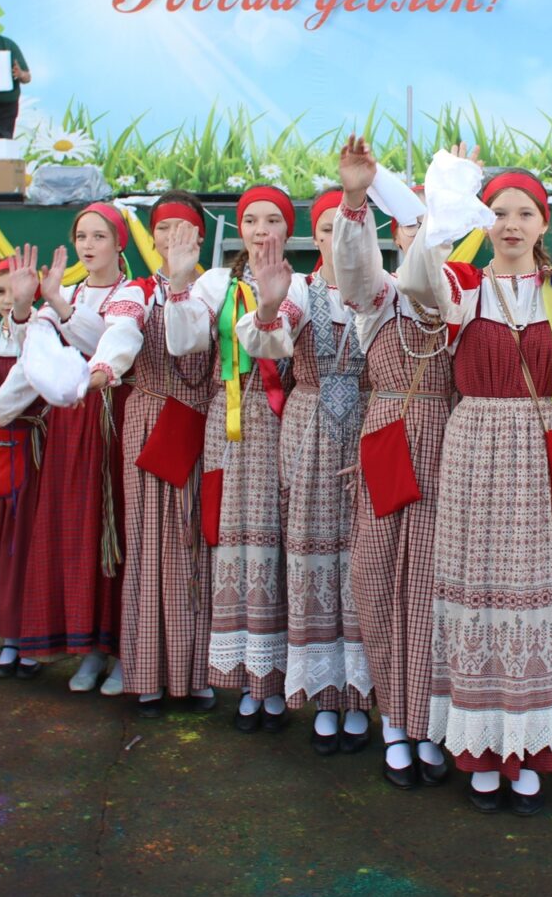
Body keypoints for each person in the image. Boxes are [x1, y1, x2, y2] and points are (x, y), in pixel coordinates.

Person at [396, 143, 552, 815]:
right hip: (474, 445)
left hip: (542, 441)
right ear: (484, 221)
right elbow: (415, 283)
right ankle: (477, 748)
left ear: (543, 224)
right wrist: (443, 204)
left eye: (526, 211)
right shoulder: (463, 285)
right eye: (499, 212)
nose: (512, 222)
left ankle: (525, 747)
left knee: (532, 593)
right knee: (476, 589)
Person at [331, 141, 454, 789]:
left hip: (451, 445)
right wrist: (355, 200)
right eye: (409, 223)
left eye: (432, 222)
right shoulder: (381, 297)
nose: (420, 234)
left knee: (435, 584)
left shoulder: (470, 293)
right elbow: (353, 274)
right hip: (388, 434)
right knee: (378, 575)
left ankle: (429, 720)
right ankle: (394, 724)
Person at [243, 191, 376, 754]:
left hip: (370, 425)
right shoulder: (299, 290)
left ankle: (363, 692)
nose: (335, 237)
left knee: (364, 558)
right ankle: (325, 693)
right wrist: (269, 308)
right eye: (325, 229)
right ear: (316, 237)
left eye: (346, 228)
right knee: (314, 552)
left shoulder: (380, 289)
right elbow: (267, 342)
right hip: (310, 422)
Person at [164, 185, 298, 732]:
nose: (261, 230)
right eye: (251, 221)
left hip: (281, 418)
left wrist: (270, 301)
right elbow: (183, 341)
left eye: (272, 220)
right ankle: (247, 678)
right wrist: (178, 280)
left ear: (289, 230)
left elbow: (283, 346)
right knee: (234, 540)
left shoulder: (302, 285)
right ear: (239, 230)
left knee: (276, 541)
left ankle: (278, 679)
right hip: (229, 417)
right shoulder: (217, 282)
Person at [13, 206, 143, 695]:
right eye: (81, 237)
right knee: (78, 534)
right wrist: (26, 309)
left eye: (99, 236)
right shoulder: (62, 294)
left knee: (118, 533)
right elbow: (36, 358)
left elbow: (107, 339)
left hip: (114, 419)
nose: (89, 246)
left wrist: (60, 309)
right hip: (71, 425)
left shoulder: (134, 293)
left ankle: (125, 651)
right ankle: (88, 650)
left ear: (119, 243)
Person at [0, 248, 90, 679]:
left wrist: (29, 312)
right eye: (0, 290)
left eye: (16, 289)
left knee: (30, 545)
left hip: (38, 450)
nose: (8, 298)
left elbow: (41, 368)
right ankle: (8, 637)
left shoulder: (45, 327)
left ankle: (32, 639)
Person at [112, 194, 217, 717]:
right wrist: (106, 364)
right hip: (154, 420)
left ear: (200, 236)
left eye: (184, 228)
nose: (173, 237)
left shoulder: (218, 289)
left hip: (208, 424)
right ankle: (148, 674)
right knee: (151, 541)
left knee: (199, 541)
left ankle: (196, 675)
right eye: (163, 228)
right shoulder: (136, 293)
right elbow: (120, 333)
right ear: (151, 237)